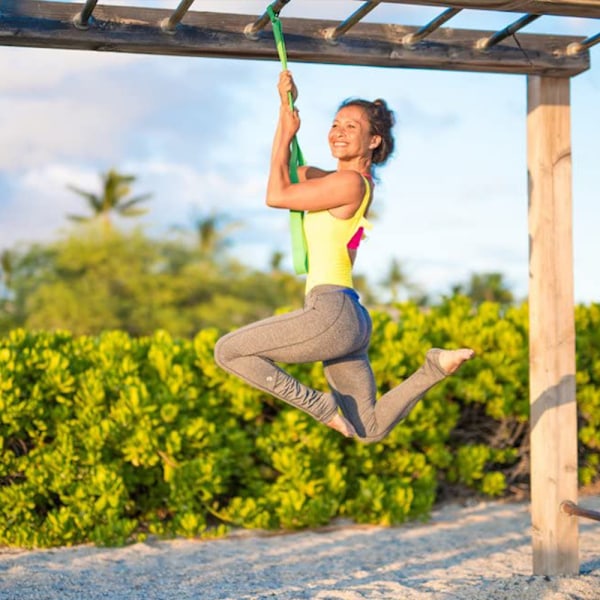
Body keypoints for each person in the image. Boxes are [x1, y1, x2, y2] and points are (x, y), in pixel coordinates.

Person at [214, 70, 474, 442]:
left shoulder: (349, 183)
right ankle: (433, 368)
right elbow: (295, 170)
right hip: (350, 317)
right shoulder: (347, 183)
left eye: (351, 126)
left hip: (332, 312)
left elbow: (276, 193)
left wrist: (285, 132)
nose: (338, 132)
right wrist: (286, 105)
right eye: (335, 124)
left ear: (373, 140)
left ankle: (319, 407)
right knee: (368, 429)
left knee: (229, 352)